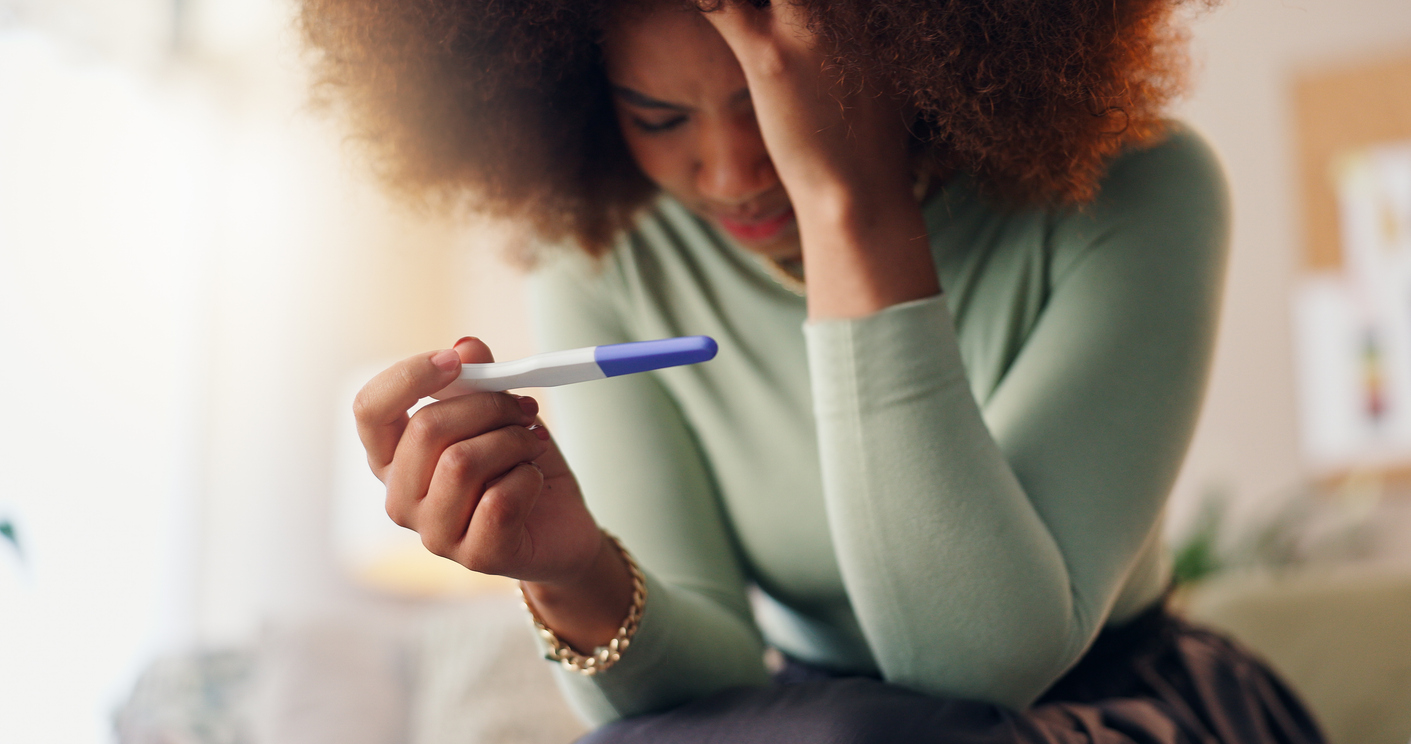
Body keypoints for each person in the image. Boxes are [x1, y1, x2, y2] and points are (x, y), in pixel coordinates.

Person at [304, 0, 1325, 741]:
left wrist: (850, 204)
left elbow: (973, 669)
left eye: (776, 97)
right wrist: (571, 571)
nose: (736, 171)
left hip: (1107, 707)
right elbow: (691, 701)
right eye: (659, 118)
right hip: (820, 722)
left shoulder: (1139, 194)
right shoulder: (608, 255)